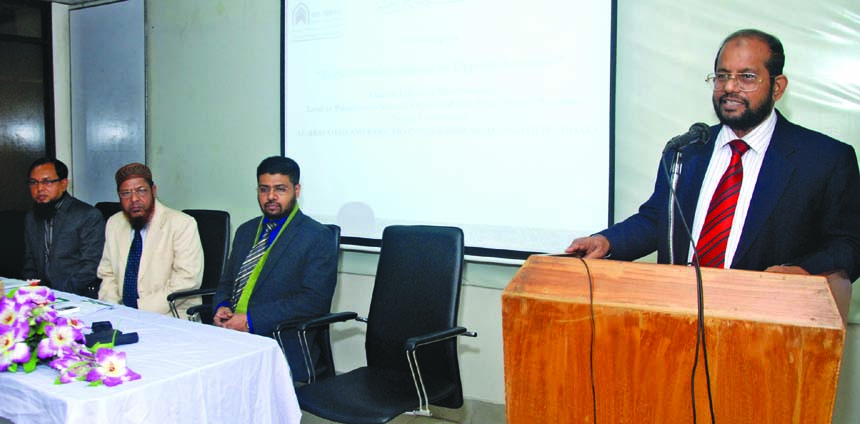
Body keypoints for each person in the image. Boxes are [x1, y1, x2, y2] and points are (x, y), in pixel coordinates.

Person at [567, 29, 860, 281]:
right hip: (677, 317)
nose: (729, 87)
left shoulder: (825, 160)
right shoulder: (687, 150)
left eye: (746, 77)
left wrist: (801, 271)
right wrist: (606, 241)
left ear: (777, 87)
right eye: (722, 76)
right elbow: (659, 220)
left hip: (767, 327)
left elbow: (849, 244)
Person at [212, 156, 337, 382]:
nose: (271, 197)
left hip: (279, 339)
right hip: (229, 336)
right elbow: (227, 282)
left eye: (280, 189)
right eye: (264, 189)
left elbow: (314, 301)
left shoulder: (317, 236)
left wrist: (250, 319)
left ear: (296, 190)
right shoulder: (245, 231)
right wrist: (221, 306)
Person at [97, 163, 204, 317]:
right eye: (126, 193)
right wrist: (112, 310)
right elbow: (107, 274)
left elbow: (187, 280)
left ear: (153, 191)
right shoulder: (114, 223)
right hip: (121, 315)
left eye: (141, 191)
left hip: (169, 316)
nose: (134, 199)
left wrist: (137, 310)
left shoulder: (182, 224)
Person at [22, 158, 105, 295]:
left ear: (63, 184)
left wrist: (63, 294)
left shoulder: (88, 215)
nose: (39, 188)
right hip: (41, 297)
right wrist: (34, 291)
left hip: (78, 296)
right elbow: (30, 262)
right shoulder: (31, 217)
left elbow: (91, 266)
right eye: (33, 182)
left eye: (47, 182)